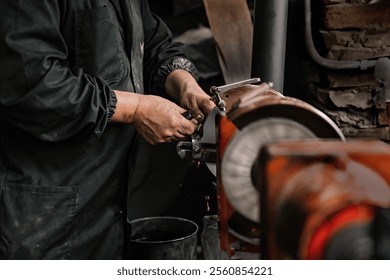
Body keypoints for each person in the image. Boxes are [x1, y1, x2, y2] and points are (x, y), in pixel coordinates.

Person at [0, 0, 215, 259]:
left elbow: (150, 39)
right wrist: (135, 109)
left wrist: (184, 83)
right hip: (44, 211)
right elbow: (31, 82)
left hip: (107, 201)